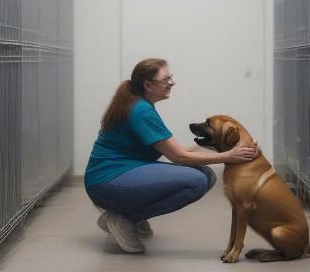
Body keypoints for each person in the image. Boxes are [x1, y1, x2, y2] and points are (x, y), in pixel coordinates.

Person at [84, 58, 258, 253]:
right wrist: (229, 156)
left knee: (206, 175)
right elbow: (179, 157)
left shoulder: (139, 104)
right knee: (197, 181)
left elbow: (174, 151)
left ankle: (130, 213)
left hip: (118, 175)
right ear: (148, 85)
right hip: (107, 182)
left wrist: (214, 146)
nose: (172, 83)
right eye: (166, 80)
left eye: (171, 77)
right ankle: (124, 219)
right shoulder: (141, 111)